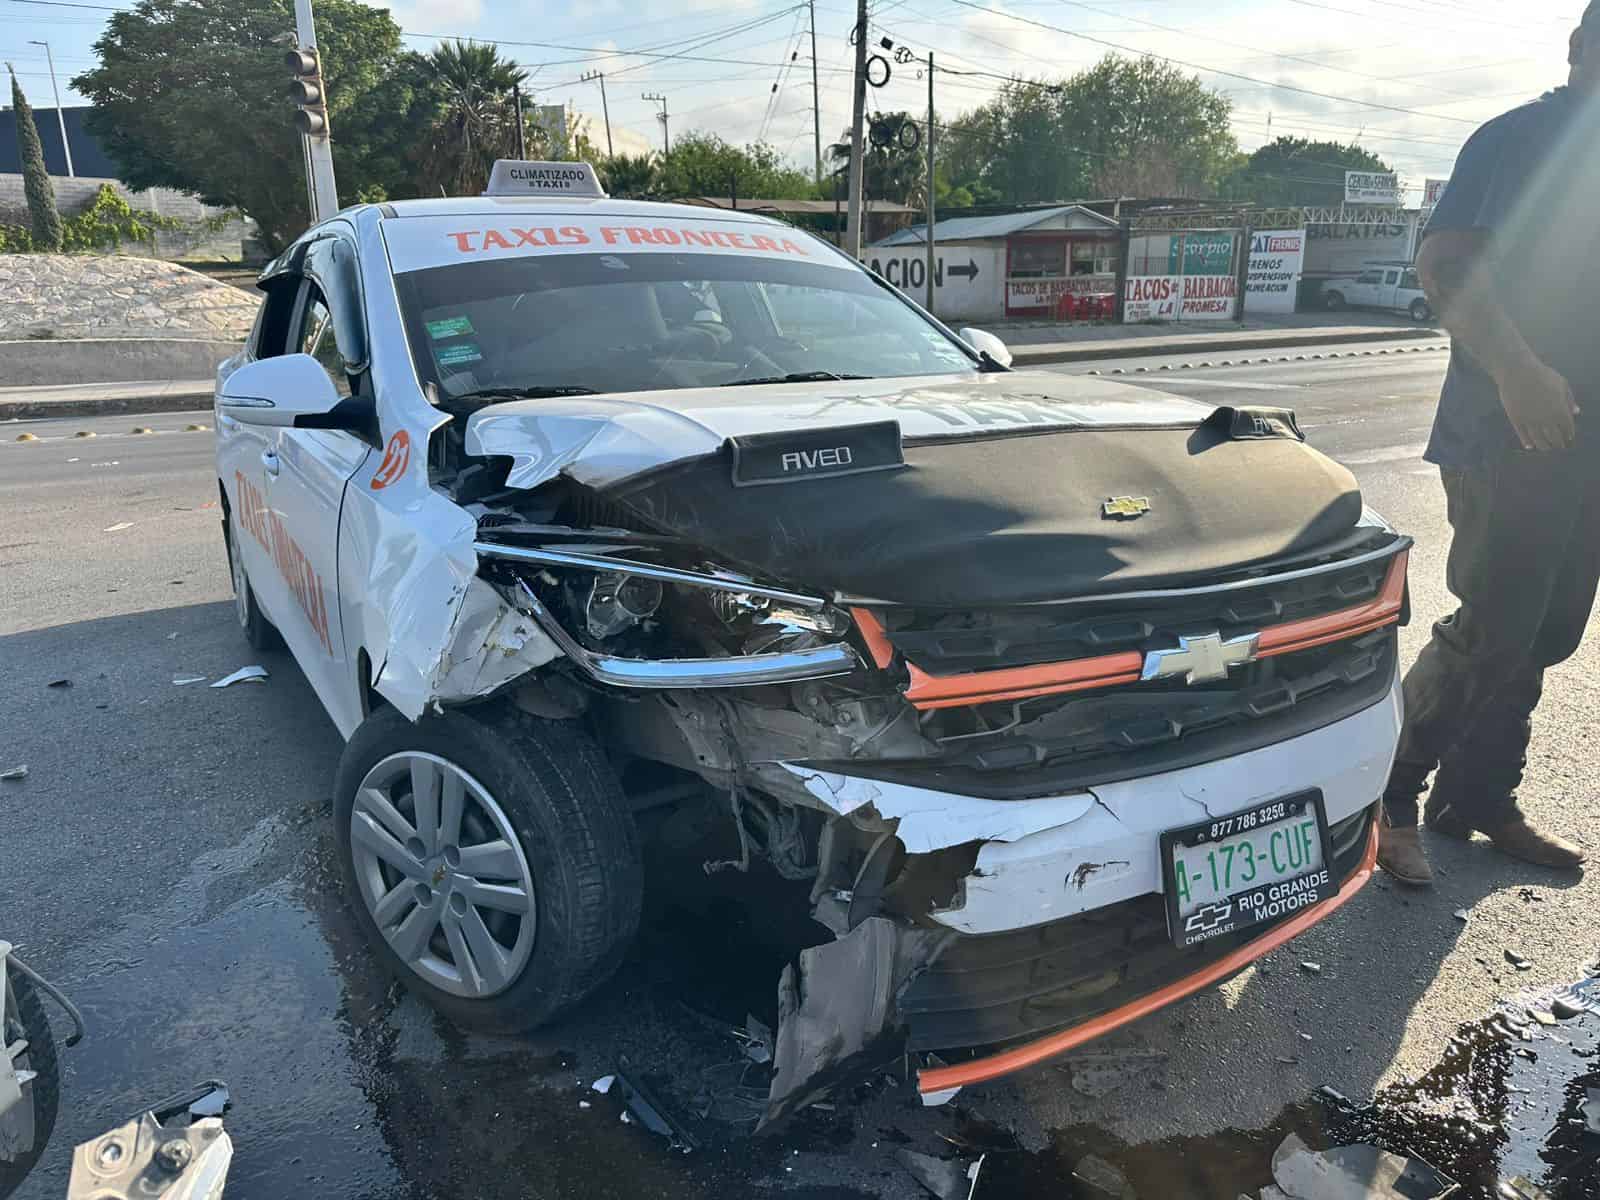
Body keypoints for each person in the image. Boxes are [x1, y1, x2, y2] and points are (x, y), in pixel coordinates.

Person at [1377, 1, 1600, 885]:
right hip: (1507, 428)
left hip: (1587, 442)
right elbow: (1447, 266)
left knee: (1546, 630)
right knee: (1494, 619)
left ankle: (1478, 796)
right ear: (1583, 46)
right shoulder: (1520, 138)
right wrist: (1516, 370)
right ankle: (1387, 795)